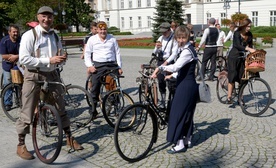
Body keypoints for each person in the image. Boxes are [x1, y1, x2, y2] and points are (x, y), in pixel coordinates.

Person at [16, 6, 83, 160]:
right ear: (38, 17)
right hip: (33, 75)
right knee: (27, 111)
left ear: (53, 18)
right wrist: (48, 60)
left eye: (50, 17)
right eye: (44, 17)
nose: (47, 20)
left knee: (60, 107)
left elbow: (58, 55)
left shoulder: (55, 36)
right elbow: (24, 59)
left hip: (52, 74)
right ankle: (20, 145)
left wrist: (61, 59)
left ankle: (69, 138)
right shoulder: (29, 35)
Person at [151, 25, 198, 154]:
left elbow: (176, 66)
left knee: (177, 114)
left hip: (186, 86)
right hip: (187, 83)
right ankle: (187, 139)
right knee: (187, 114)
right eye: (178, 37)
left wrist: (160, 68)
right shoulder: (186, 48)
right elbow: (185, 69)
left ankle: (180, 144)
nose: (181, 40)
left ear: (188, 37)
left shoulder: (188, 51)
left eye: (183, 37)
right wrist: (173, 75)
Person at [84, 21, 123, 118]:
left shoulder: (112, 39)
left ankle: (116, 107)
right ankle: (93, 109)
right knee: (95, 87)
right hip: (99, 65)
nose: (103, 31)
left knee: (114, 87)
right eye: (101, 29)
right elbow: (87, 54)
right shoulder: (92, 40)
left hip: (111, 64)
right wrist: (90, 66)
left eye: (104, 29)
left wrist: (119, 66)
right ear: (97, 30)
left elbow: (117, 53)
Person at [226, 19, 255, 104]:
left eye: (250, 26)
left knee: (243, 78)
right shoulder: (237, 33)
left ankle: (240, 97)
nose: (249, 28)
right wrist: (248, 48)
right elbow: (237, 45)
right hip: (233, 57)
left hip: (242, 57)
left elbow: (251, 45)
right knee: (233, 75)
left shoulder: (249, 35)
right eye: (248, 26)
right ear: (243, 26)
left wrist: (252, 54)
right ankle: (229, 97)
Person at [152, 22, 178, 108]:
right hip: (160, 60)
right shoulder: (161, 38)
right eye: (162, 32)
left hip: (169, 62)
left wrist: (166, 62)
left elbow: (174, 53)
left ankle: (173, 100)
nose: (163, 33)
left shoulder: (174, 39)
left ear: (169, 30)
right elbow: (154, 52)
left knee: (171, 83)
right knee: (161, 82)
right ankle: (163, 101)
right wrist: (157, 47)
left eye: (164, 32)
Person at [0, 24, 21, 111]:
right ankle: (7, 102)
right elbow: (4, 56)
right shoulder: (4, 41)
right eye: (14, 32)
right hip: (7, 64)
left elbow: (24, 53)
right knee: (8, 83)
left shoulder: (21, 40)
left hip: (18, 63)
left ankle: (19, 100)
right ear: (9, 32)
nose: (16, 33)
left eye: (17, 32)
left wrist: (16, 57)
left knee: (19, 83)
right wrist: (13, 56)